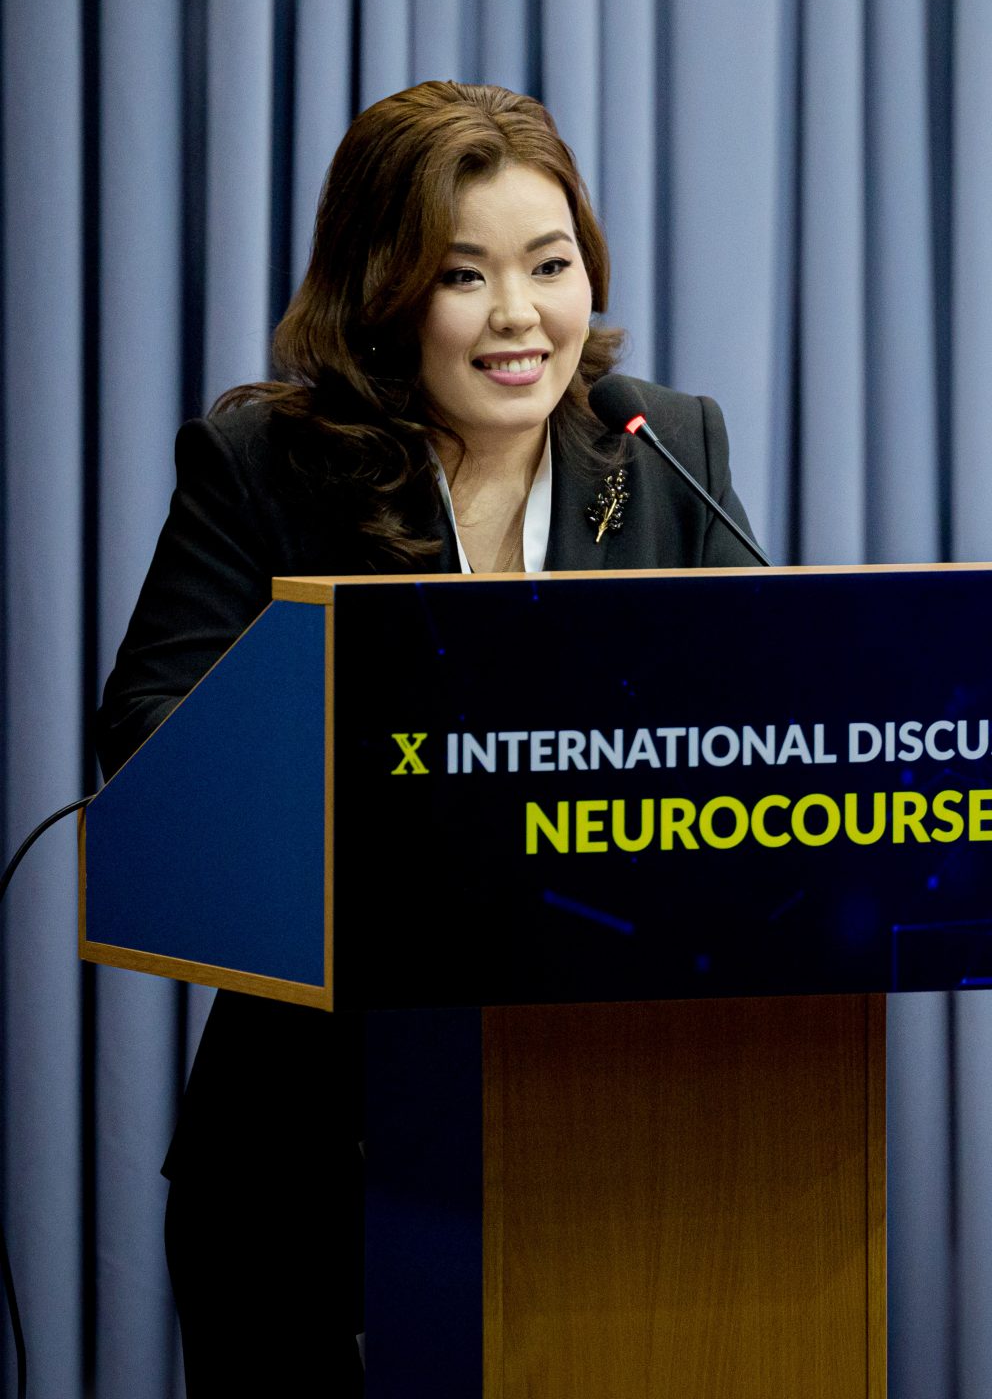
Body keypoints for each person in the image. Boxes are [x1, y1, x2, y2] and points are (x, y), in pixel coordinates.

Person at [95, 79, 761, 1393]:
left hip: (621, 1135)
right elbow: (153, 731)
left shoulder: (658, 445)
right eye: (465, 275)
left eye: (550, 265)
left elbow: (765, 714)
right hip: (314, 1147)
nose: (519, 315)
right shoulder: (267, 462)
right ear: (383, 293)